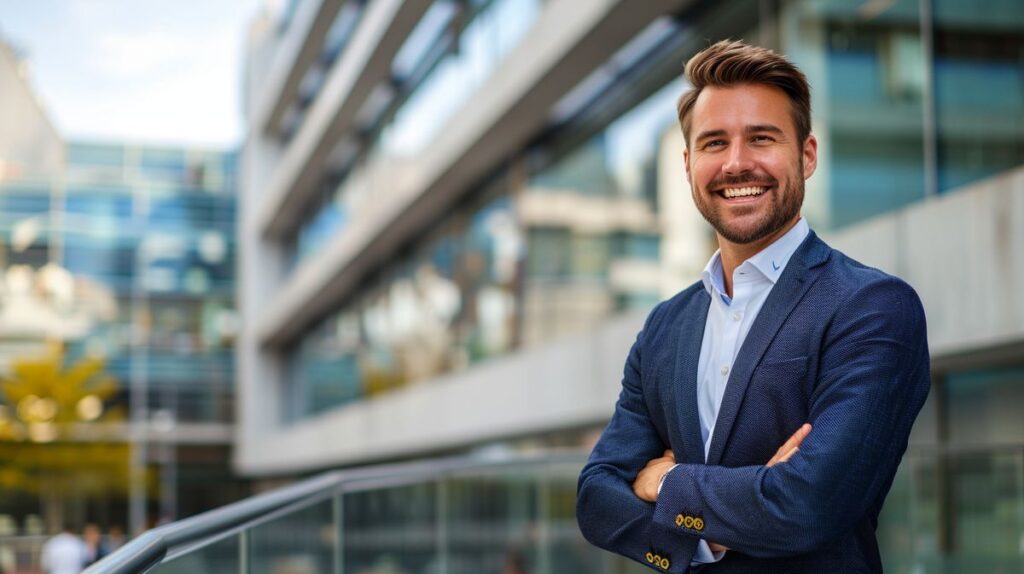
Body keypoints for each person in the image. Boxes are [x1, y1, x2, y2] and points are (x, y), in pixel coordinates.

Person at [576, 40, 930, 573]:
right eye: (715, 143)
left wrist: (667, 483)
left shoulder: (873, 308)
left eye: (761, 138)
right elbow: (596, 499)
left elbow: (807, 504)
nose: (737, 163)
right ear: (689, 163)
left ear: (807, 155)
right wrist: (699, 541)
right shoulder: (665, 326)